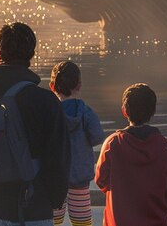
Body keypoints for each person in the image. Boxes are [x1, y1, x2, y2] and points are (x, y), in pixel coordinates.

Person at [0, 22, 71, 226]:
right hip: (34, 209)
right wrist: (52, 200)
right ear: (32, 55)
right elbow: (59, 158)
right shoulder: (45, 100)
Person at [95, 83, 167, 226]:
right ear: (153, 111)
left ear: (124, 111)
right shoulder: (166, 148)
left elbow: (101, 180)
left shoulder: (112, 144)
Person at [50, 61, 105, 226]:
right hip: (79, 177)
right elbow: (96, 137)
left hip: (54, 177)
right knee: (81, 223)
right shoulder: (86, 113)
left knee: (53, 221)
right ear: (79, 86)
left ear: (52, 86)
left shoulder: (50, 112)